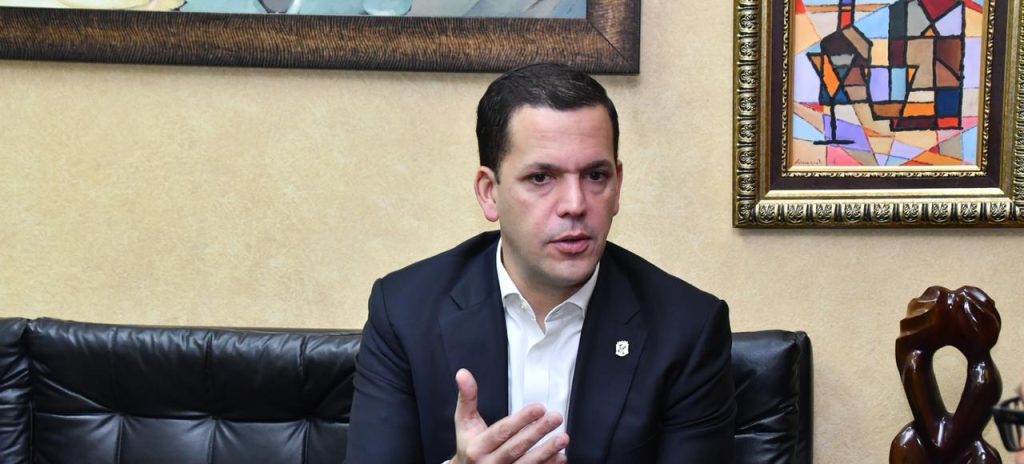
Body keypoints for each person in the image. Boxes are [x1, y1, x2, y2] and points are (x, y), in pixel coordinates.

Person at [346, 63, 736, 463]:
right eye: (541, 178)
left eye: (595, 175)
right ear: (489, 193)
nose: (575, 204)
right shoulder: (405, 312)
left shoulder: (686, 328)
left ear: (617, 185)